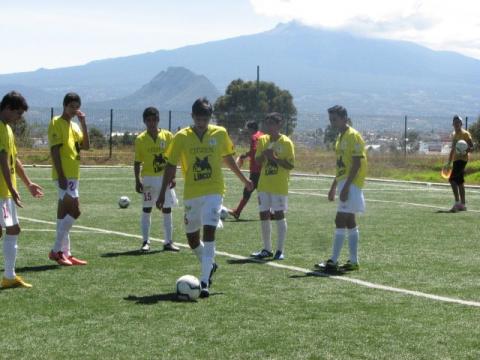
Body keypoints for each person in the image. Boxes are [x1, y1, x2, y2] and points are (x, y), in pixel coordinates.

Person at [156, 98, 253, 298]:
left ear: (210, 118)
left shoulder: (220, 133)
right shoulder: (181, 137)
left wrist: (244, 180)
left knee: (209, 231)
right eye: (199, 119)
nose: (202, 122)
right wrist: (162, 192)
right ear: (192, 117)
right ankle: (210, 265)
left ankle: (204, 280)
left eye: (205, 119)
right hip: (192, 192)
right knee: (192, 238)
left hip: (214, 190)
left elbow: (227, 159)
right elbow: (170, 165)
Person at [315, 105, 367, 272]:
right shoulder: (340, 137)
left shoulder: (353, 136)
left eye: (334, 119)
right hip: (344, 182)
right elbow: (341, 167)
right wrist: (333, 187)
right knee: (350, 221)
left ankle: (333, 261)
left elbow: (357, 163)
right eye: (330, 120)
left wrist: (346, 188)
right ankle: (353, 261)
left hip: (352, 184)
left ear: (345, 118)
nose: (332, 123)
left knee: (340, 220)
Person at [0, 91, 43, 288]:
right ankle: (9, 276)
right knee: (12, 230)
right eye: (18, 113)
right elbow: (1, 160)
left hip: (6, 192)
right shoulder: (0, 128)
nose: (20, 118)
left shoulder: (7, 129)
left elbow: (13, 159)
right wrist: (11, 188)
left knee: (11, 230)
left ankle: (9, 277)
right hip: (1, 193)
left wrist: (28, 184)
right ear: (8, 108)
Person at [48, 92, 89, 266]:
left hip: (74, 174)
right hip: (63, 175)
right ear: (64, 105)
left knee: (64, 214)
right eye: (71, 106)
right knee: (76, 210)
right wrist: (62, 175)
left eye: (76, 107)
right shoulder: (56, 123)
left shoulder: (75, 126)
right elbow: (55, 151)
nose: (74, 110)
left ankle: (66, 253)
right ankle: (56, 250)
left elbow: (86, 146)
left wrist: (83, 123)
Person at [250, 113, 295, 261]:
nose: (269, 127)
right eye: (267, 124)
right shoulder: (262, 140)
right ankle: (266, 249)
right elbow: (257, 161)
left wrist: (274, 158)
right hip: (264, 185)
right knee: (263, 214)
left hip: (279, 186)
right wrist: (264, 155)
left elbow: (290, 165)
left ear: (279, 125)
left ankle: (280, 250)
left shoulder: (286, 142)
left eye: (272, 124)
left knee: (279, 215)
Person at [134, 107, 179, 252]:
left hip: (164, 178)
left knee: (167, 209)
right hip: (148, 179)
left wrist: (173, 177)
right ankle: (145, 242)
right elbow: (137, 162)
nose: (152, 123)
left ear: (158, 120)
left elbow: (173, 158)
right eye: (148, 120)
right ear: (144, 122)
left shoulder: (167, 136)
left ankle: (168, 242)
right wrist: (137, 180)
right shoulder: (140, 139)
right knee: (147, 209)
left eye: (154, 120)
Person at [228, 121, 263, 220]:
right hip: (263, 169)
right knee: (263, 192)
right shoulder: (263, 135)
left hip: (256, 170)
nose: (246, 131)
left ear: (251, 128)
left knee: (248, 189)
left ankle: (237, 212)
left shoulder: (254, 137)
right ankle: (270, 213)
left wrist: (244, 156)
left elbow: (254, 151)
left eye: (247, 129)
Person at [445, 115, 473, 212]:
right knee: (460, 182)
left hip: (462, 160)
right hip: (456, 160)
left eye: (458, 122)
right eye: (455, 123)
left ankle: (457, 203)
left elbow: (472, 147)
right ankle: (463, 205)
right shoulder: (454, 135)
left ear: (461, 124)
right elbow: (453, 149)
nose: (457, 124)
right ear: (453, 124)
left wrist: (465, 151)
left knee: (452, 180)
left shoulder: (466, 134)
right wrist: (449, 162)